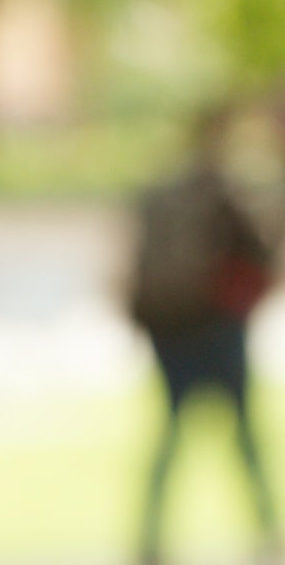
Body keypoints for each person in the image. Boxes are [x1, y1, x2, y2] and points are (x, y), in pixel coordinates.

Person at [128, 103, 278, 564]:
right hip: (215, 328)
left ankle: (151, 537)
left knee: (171, 437)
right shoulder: (222, 196)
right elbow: (261, 258)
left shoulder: (158, 196)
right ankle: (267, 531)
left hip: (169, 331)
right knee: (245, 437)